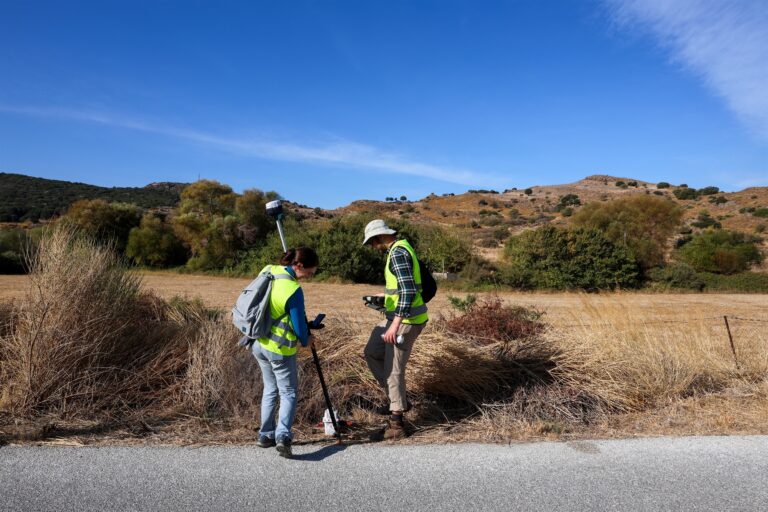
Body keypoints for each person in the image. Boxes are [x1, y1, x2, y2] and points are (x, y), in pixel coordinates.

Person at [362, 219, 428, 440]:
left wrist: (395, 325)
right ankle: (396, 399)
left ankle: (396, 423)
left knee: (393, 369)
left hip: (407, 321)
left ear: (378, 238)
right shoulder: (397, 250)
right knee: (372, 351)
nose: (372, 247)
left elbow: (408, 291)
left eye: (371, 243)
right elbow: (401, 288)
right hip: (399, 317)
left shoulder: (398, 253)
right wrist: (385, 297)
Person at [252, 247, 318, 459]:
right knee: (288, 392)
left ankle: (265, 435)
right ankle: (283, 436)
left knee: (270, 389)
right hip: (279, 349)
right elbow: (299, 327)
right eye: (310, 271)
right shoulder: (293, 290)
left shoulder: (269, 270)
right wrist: (307, 339)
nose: (310, 276)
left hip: (258, 343)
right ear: (299, 266)